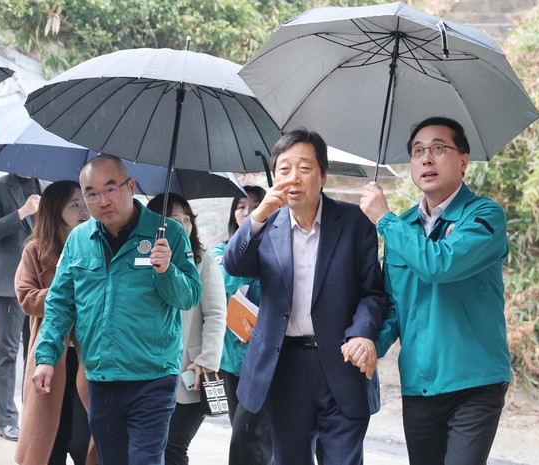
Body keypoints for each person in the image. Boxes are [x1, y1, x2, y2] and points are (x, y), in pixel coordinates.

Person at [223, 129, 388, 465]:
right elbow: (234, 264)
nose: (293, 178)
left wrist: (362, 333)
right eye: (284, 169)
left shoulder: (354, 223)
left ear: (323, 176)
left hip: (342, 362)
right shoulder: (266, 225)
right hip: (284, 366)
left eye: (305, 168)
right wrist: (258, 215)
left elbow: (373, 293)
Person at [359, 116, 511, 465]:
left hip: (474, 383)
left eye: (439, 148)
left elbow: (440, 265)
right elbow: (394, 308)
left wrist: (384, 219)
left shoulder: (484, 216)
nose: (426, 158)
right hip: (419, 385)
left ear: (463, 160)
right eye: (417, 151)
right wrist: (370, 345)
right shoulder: (403, 226)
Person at [32, 155, 202, 465]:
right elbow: (59, 303)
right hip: (102, 376)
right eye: (91, 193)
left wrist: (167, 271)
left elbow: (189, 297)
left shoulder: (169, 235)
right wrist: (46, 357)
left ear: (130, 187)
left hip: (153, 376)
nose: (102, 201)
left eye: (110, 189)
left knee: (145, 460)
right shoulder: (79, 240)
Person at [13, 180, 95, 465]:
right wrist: (64, 290)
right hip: (51, 354)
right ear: (54, 209)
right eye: (75, 205)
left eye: (86, 203)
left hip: (88, 353)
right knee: (49, 439)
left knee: (85, 439)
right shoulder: (35, 251)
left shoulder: (95, 248)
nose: (84, 211)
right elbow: (26, 298)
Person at [145, 193, 226, 465]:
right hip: (149, 368)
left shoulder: (203, 262)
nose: (182, 225)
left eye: (187, 219)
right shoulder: (143, 260)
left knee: (174, 447)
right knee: (151, 447)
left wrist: (207, 360)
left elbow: (216, 315)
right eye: (173, 220)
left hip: (191, 371)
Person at [210, 185, 275, 465]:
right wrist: (255, 264)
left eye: (255, 205)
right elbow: (223, 277)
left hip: (263, 358)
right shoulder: (221, 249)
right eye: (240, 206)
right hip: (231, 359)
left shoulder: (278, 247)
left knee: (251, 438)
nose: (247, 212)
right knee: (244, 432)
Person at [0, 173, 41, 440]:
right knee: (7, 353)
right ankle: (6, 420)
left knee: (37, 353)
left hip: (41, 283)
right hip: (8, 285)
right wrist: (22, 212)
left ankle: (33, 418)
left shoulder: (48, 187)